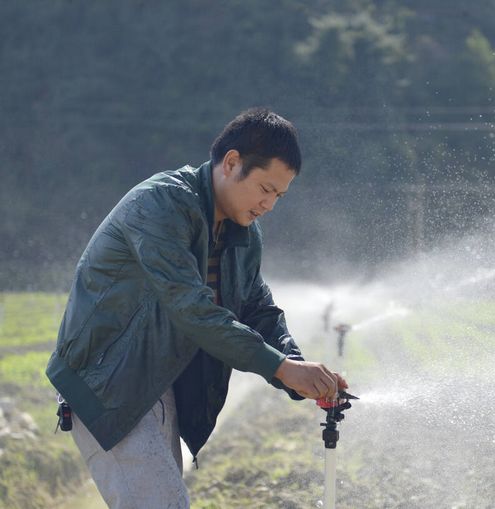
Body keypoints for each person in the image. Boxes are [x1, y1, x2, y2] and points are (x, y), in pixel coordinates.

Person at [45, 108, 347, 508]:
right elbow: (192, 308)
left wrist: (296, 366)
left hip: (160, 383)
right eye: (265, 188)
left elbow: (257, 309)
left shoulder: (243, 234)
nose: (269, 204)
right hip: (108, 381)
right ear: (232, 162)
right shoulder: (160, 206)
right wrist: (281, 368)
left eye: (279, 195)